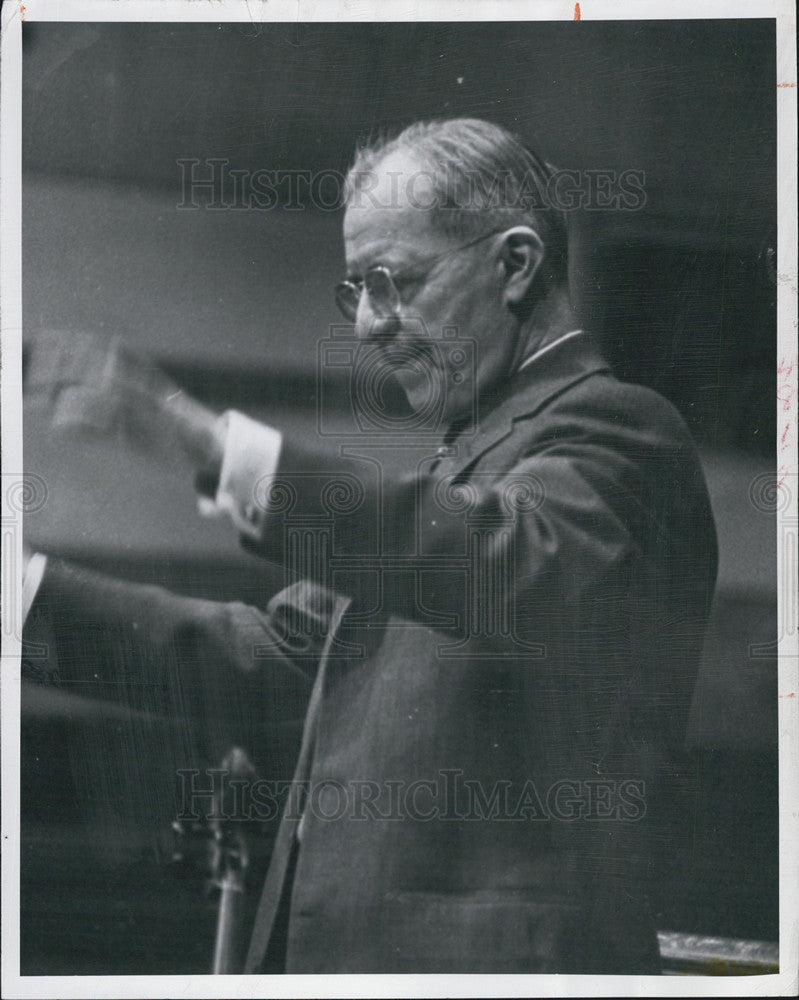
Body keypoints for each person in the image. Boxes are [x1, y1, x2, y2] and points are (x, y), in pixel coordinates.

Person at [23, 118, 718, 974]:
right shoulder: (468, 460)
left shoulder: (619, 433)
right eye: (355, 290)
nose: (369, 326)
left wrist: (207, 446)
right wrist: (22, 598)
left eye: (394, 282)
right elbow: (274, 656)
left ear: (515, 264)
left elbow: (488, 561)